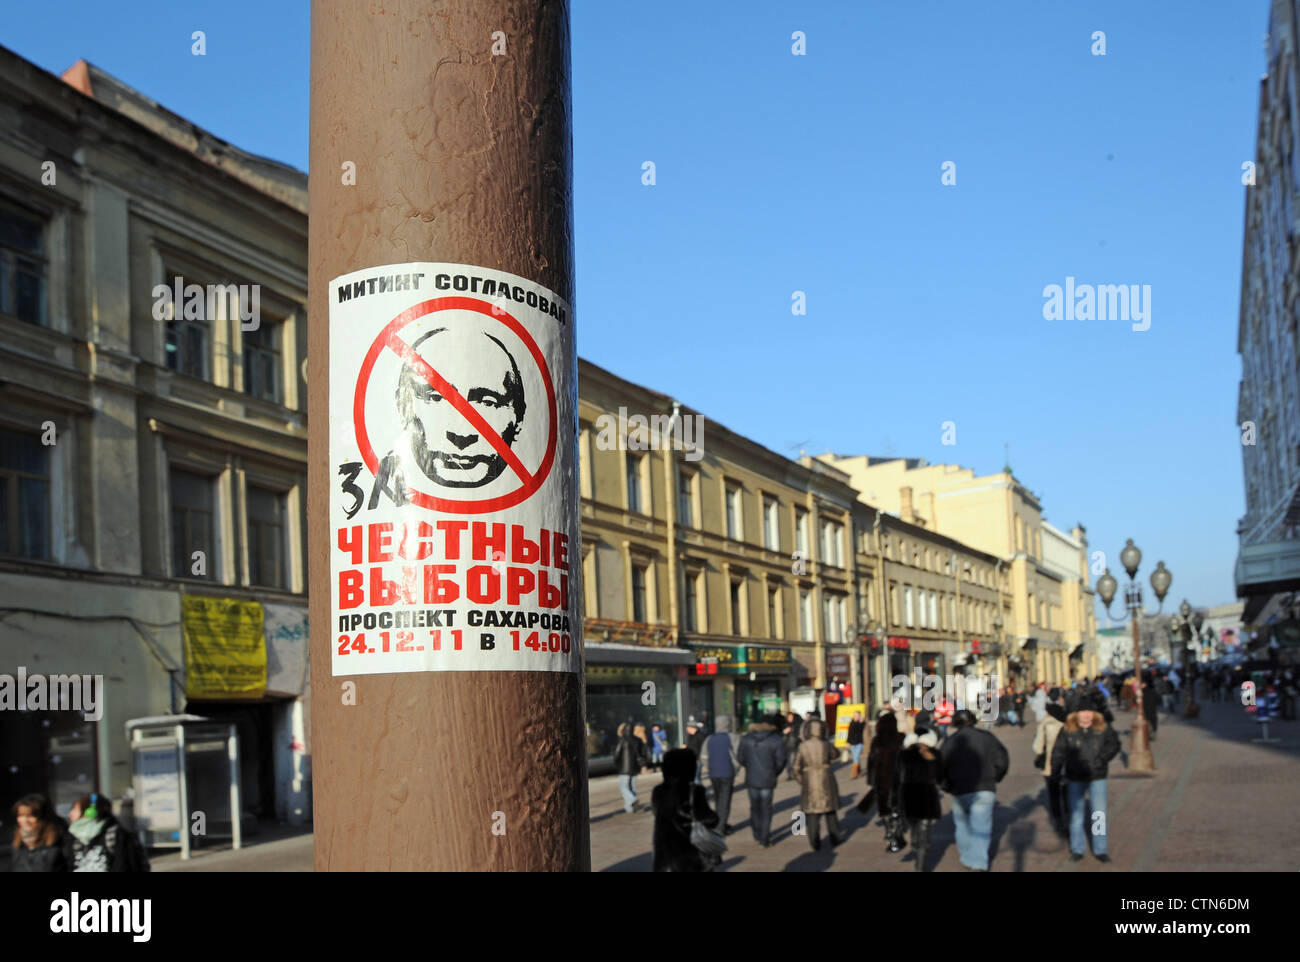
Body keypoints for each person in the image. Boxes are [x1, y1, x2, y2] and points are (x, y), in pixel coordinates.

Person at [938, 709, 1009, 872]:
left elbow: (940, 766)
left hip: (959, 789)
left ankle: (968, 857)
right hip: (985, 787)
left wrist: (946, 784)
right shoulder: (987, 737)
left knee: (962, 825)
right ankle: (979, 863)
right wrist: (995, 776)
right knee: (981, 826)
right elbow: (1002, 759)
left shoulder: (950, 741)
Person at [1050, 708, 1121, 863]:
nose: (1087, 715)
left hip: (1097, 776)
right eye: (1083, 711)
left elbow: (1114, 744)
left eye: (1090, 711)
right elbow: (1058, 751)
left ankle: (1100, 849)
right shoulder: (1067, 729)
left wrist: (1102, 759)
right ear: (1076, 713)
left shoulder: (1102, 727)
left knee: (1099, 815)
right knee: (1076, 815)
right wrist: (1055, 772)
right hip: (1075, 777)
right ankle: (1077, 849)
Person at [651, 748, 721, 872]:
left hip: (665, 856)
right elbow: (708, 819)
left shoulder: (658, 791)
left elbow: (657, 813)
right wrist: (715, 817)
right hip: (691, 857)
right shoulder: (694, 791)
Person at [895, 726, 942, 871]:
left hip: (909, 796)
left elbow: (896, 777)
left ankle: (916, 849)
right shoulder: (934, 754)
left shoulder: (903, 755)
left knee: (914, 827)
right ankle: (920, 866)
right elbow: (941, 777)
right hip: (928, 797)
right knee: (924, 833)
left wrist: (894, 799)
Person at [736, 714, 787, 847]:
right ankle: (764, 838)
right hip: (768, 778)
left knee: (754, 807)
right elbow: (781, 761)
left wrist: (750, 767)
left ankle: (757, 834)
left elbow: (740, 758)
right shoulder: (776, 740)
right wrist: (774, 772)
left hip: (752, 778)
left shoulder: (746, 738)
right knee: (766, 808)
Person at [64, 793, 149, 872]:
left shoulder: (116, 835)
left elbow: (124, 866)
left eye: (75, 809)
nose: (70, 814)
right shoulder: (74, 838)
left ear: (90, 812)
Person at [792, 718, 842, 850]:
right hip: (826, 778)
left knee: (812, 813)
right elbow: (836, 754)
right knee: (830, 811)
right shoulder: (826, 744)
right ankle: (835, 837)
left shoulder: (802, 746)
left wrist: (802, 781)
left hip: (809, 780)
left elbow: (796, 767)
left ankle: (814, 841)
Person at [864, 709, 906, 852]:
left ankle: (888, 830)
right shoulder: (901, 737)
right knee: (898, 807)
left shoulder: (877, 740)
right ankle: (897, 830)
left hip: (881, 779)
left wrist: (871, 780)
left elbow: (872, 761)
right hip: (898, 779)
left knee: (884, 808)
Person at [699, 715, 740, 835]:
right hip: (727, 773)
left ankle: (719, 823)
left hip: (713, 773)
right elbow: (738, 755)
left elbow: (703, 757)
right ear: (727, 724)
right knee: (725, 801)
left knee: (718, 800)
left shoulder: (709, 739)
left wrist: (710, 767)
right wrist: (735, 769)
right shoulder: (733, 737)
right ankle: (720, 828)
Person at [1032, 703, 1068, 833]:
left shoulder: (1045, 724)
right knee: (1067, 793)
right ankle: (1069, 819)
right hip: (1066, 765)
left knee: (1054, 794)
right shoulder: (1067, 724)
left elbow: (1037, 747)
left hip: (1049, 765)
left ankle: (1058, 820)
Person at [9, 793, 67, 872]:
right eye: (20, 815)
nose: (25, 821)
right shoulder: (17, 841)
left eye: (30, 816)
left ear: (42, 817)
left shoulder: (59, 839)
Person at [613, 722, 649, 814]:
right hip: (635, 767)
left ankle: (633, 800)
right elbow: (642, 753)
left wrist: (617, 764)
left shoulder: (622, 740)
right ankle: (630, 808)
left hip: (624, 768)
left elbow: (617, 754)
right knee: (632, 787)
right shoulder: (637, 739)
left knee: (623, 787)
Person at [782, 711, 803, 780]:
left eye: (791, 717)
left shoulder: (797, 724)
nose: (790, 718)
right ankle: (790, 774)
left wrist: (797, 735)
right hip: (787, 745)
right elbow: (783, 734)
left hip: (795, 745)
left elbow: (800, 734)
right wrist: (785, 732)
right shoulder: (786, 725)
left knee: (795, 760)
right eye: (789, 717)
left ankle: (795, 773)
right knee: (788, 761)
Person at [846, 711, 866, 778]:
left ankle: (853, 774)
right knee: (856, 758)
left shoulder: (862, 723)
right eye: (855, 715)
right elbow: (849, 734)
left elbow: (861, 729)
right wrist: (847, 742)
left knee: (856, 757)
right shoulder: (851, 723)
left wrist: (861, 722)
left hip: (859, 743)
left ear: (859, 716)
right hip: (852, 743)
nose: (856, 716)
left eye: (857, 715)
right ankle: (859, 773)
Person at [1141, 673, 1159, 741]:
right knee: (1152, 721)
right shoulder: (1152, 691)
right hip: (1152, 709)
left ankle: (1150, 733)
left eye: (1142, 684)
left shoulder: (1142, 692)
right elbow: (1158, 700)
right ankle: (1153, 732)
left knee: (1148, 721)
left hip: (1147, 709)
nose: (1141, 685)